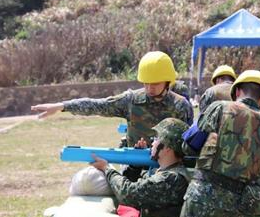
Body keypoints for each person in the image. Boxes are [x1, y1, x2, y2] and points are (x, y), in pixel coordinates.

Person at [180, 70, 260, 217]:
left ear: (236, 91)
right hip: (239, 207)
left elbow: (189, 146)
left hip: (201, 197)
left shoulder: (219, 108)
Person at [31, 51, 193, 148]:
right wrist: (62, 106)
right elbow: (97, 105)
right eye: (146, 83)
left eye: (155, 84)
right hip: (134, 167)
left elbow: (187, 144)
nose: (150, 88)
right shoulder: (131, 101)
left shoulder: (180, 106)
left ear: (167, 81)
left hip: (168, 170)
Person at [91, 118, 190, 217]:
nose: (152, 143)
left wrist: (106, 168)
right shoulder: (164, 170)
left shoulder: (171, 179)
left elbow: (128, 195)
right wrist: (135, 166)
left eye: (156, 139)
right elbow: (132, 183)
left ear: (168, 147)